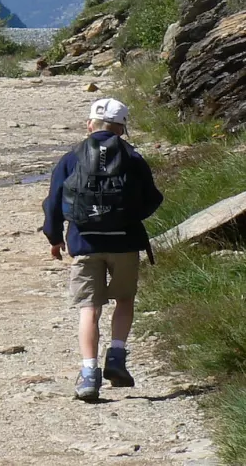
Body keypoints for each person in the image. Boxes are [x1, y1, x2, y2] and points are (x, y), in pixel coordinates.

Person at [40, 96, 163, 402]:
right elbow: (153, 198)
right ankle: (117, 355)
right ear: (122, 128)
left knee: (89, 309)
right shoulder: (132, 158)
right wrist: (130, 218)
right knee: (124, 299)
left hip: (85, 242)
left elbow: (54, 202)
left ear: (90, 125)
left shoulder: (71, 158)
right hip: (125, 241)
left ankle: (88, 374)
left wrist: (55, 238)